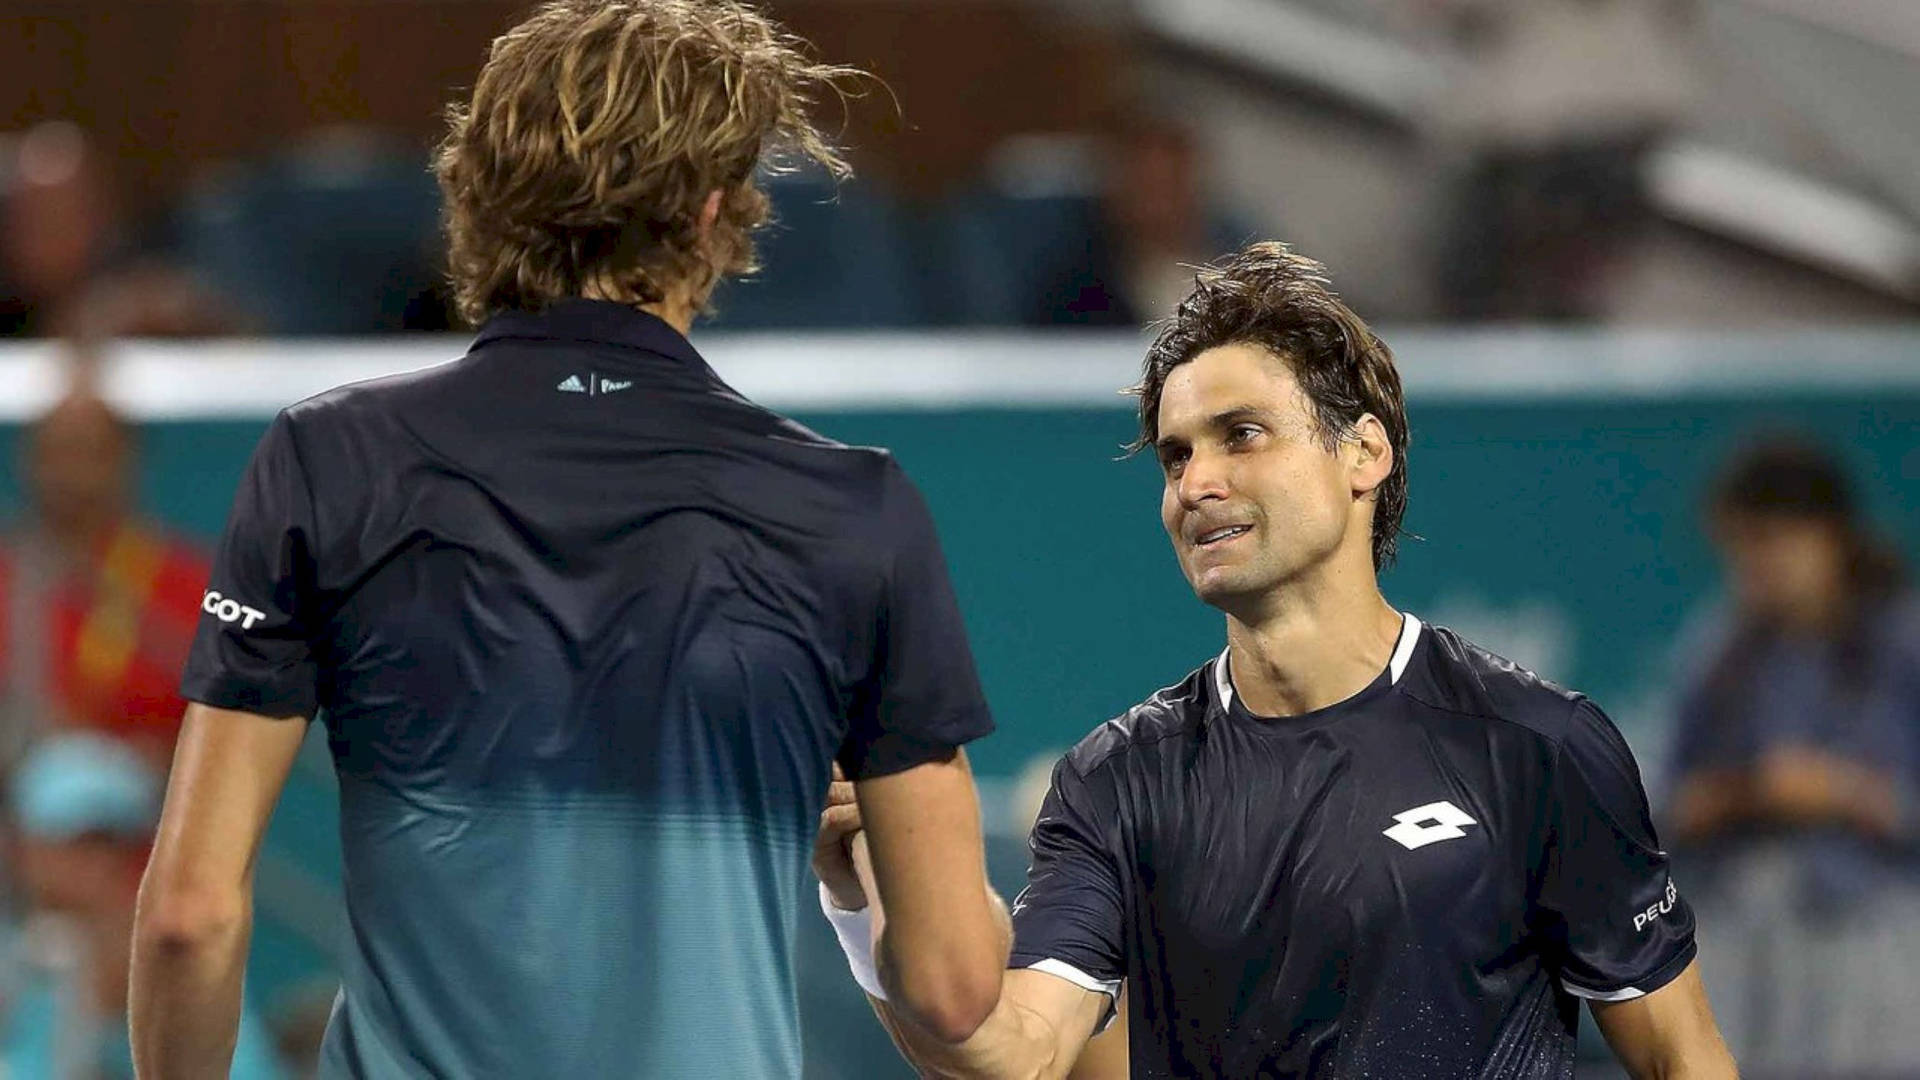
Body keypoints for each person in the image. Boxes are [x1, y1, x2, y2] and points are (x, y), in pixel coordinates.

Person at [129, 2, 1010, 1076]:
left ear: (480, 198)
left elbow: (188, 915)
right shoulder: (853, 506)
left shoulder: (329, 460)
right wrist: (847, 879)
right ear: (717, 216)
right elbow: (956, 985)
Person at [814, 241, 1736, 1078]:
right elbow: (1013, 1059)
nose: (1195, 484)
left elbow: (1680, 1057)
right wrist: (866, 890)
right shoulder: (1115, 782)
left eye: (1242, 435)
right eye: (1175, 458)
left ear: (1363, 451)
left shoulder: (1538, 746)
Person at [1666, 437, 1920, 1076]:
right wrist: (1746, 793)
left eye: (1773, 542)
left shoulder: (1902, 643)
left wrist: (1842, 792)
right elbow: (1670, 810)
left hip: (1881, 932)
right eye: (1742, 546)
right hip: (1748, 942)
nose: (1756, 565)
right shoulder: (1722, 652)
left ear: (1831, 537)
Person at [1, 733, 284, 1079]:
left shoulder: (181, 956)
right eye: (77, 842)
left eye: (115, 843)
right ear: (24, 846)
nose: (97, 864)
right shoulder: (20, 954)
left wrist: (128, 1016)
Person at [1, 383, 209, 771]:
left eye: (90, 452)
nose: (72, 472)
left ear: (128, 459)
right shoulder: (9, 578)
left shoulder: (188, 583)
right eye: (57, 454)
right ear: (27, 461)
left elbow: (226, 728)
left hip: (153, 810)